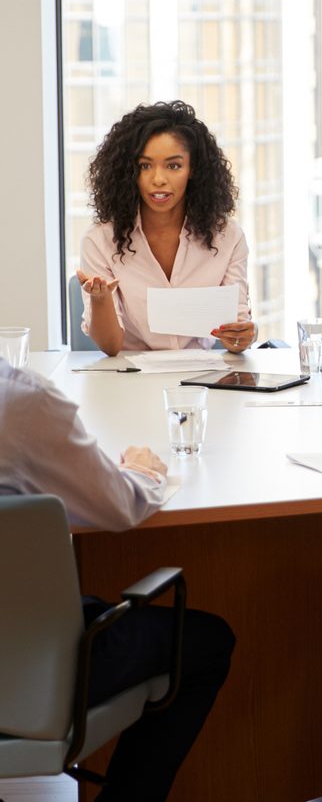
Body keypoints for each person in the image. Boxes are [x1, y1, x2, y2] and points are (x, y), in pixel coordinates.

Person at [0, 357, 235, 801]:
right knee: (204, 642)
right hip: (26, 675)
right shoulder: (21, 401)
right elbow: (118, 506)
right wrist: (142, 469)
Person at [77, 100, 256, 356]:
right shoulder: (99, 240)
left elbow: (236, 332)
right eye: (145, 166)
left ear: (193, 169)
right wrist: (100, 299)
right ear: (129, 171)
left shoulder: (228, 236)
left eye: (173, 166)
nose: (158, 179)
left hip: (201, 374)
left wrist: (243, 335)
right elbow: (111, 346)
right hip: (129, 373)